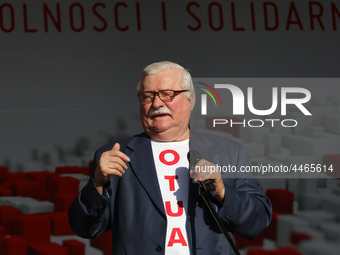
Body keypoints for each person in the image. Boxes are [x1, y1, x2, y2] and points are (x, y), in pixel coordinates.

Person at [68, 61, 272, 255]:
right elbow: (85, 228)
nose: (157, 103)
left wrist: (223, 193)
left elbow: (258, 220)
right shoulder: (115, 155)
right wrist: (97, 185)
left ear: (190, 100)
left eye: (168, 94)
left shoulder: (228, 152)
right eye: (147, 96)